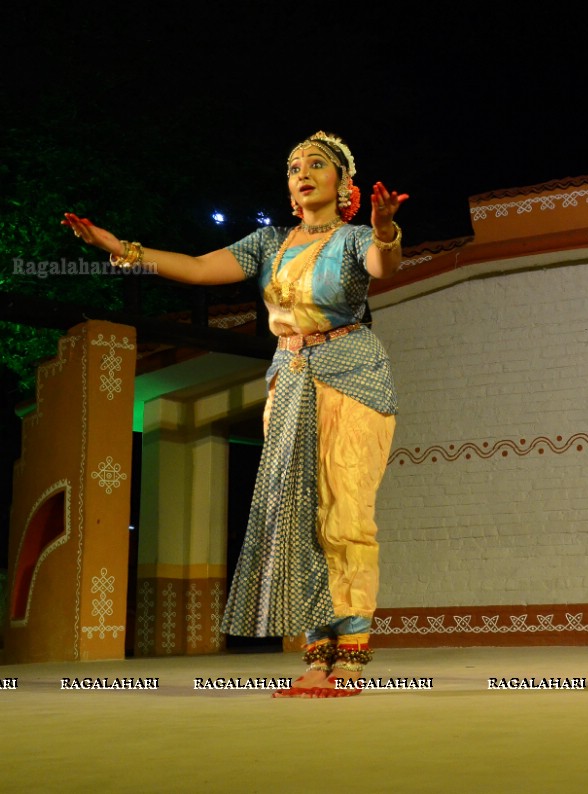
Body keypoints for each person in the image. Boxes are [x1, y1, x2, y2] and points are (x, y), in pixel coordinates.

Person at [63, 131, 407, 698]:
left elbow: (383, 265)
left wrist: (387, 228)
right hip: (288, 379)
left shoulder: (355, 239)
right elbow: (199, 269)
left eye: (316, 165)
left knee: (346, 516)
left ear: (343, 183)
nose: (302, 172)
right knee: (296, 519)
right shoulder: (269, 241)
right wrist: (120, 247)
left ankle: (351, 655)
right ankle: (316, 655)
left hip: (352, 377)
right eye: (294, 165)